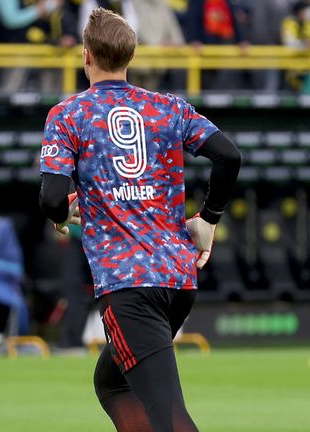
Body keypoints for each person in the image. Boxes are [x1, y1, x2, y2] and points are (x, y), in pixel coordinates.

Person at [38, 8, 241, 431]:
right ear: (130, 56)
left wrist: (63, 212)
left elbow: (52, 197)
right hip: (178, 279)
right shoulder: (167, 107)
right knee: (112, 382)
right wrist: (208, 219)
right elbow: (228, 155)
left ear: (86, 55)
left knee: (168, 415)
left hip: (128, 285)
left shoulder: (69, 114)